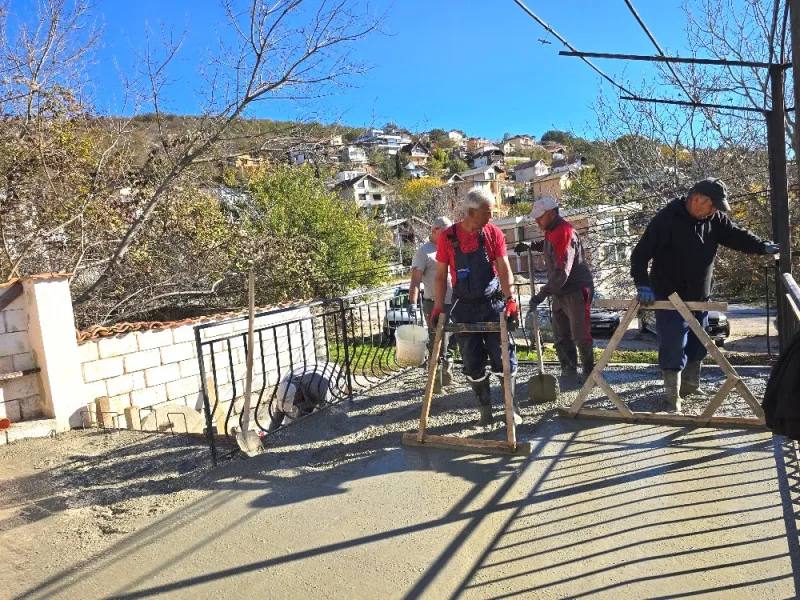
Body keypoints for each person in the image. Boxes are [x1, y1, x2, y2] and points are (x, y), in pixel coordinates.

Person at [631, 177, 779, 411]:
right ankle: (672, 397)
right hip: (669, 296)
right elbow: (639, 256)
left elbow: (736, 235)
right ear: (697, 199)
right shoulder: (666, 219)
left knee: (699, 342)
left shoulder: (714, 219)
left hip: (699, 295)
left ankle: (690, 386)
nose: (714, 211)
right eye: (711, 205)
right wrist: (643, 285)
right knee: (674, 343)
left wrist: (762, 246)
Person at [432, 187, 521, 426]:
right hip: (463, 307)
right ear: (471, 212)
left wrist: (510, 299)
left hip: (492, 304)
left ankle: (511, 409)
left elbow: (504, 268)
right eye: (487, 212)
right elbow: (440, 276)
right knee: (471, 362)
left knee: (503, 357)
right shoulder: (448, 237)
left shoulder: (492, 233)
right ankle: (485, 410)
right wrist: (438, 307)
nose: (491, 216)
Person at [526, 197, 596, 383]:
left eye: (540, 217)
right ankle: (568, 371)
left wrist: (540, 295)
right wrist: (532, 246)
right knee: (561, 333)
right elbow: (549, 245)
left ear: (551, 214)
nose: (537, 221)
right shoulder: (551, 230)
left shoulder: (565, 232)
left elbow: (562, 272)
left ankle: (589, 375)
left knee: (580, 334)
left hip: (576, 290)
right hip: (560, 291)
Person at [408, 216, 458, 393]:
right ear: (435, 230)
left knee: (452, 341)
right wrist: (412, 303)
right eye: (446, 231)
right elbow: (415, 280)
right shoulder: (424, 252)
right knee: (438, 344)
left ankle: (447, 377)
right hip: (435, 304)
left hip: (454, 302)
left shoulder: (450, 247)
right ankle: (435, 384)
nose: (450, 233)